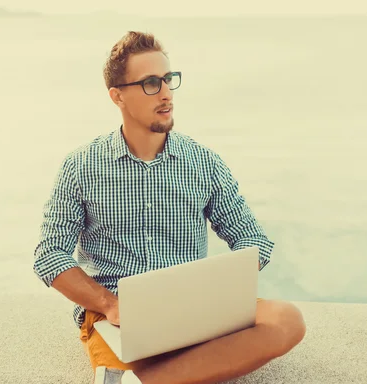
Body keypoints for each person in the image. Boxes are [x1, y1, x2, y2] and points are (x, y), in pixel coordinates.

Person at [33, 31, 306, 384]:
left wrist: (221, 289)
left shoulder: (203, 162)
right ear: (117, 96)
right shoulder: (81, 166)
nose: (165, 93)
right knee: (132, 360)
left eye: (168, 79)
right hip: (119, 317)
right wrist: (110, 305)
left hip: (195, 311)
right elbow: (50, 255)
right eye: (150, 83)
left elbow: (253, 240)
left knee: (286, 320)